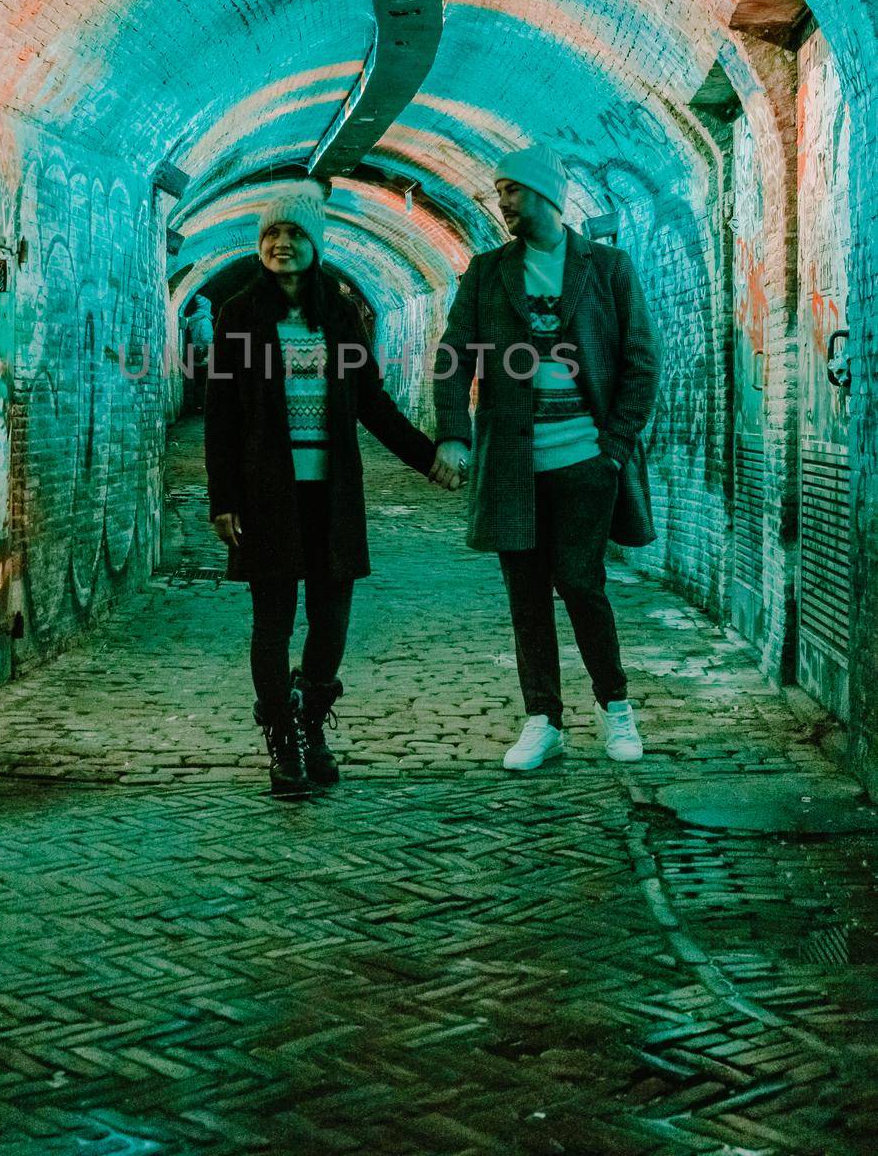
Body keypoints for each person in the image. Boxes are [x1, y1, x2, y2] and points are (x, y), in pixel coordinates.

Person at [204, 180, 442, 796]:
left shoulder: (338, 314)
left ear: (315, 243)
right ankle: (283, 744)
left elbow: (371, 403)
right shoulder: (239, 316)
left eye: (294, 234)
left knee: (331, 622)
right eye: (272, 235)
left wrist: (429, 459)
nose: (281, 244)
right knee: (273, 622)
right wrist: (222, 498)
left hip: (331, 496)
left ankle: (311, 723)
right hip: (265, 497)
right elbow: (223, 415)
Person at [429, 143, 660, 771]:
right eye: (500, 190)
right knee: (525, 596)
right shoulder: (486, 273)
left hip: (586, 463)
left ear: (546, 195)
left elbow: (642, 362)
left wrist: (612, 448)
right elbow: (453, 361)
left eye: (512, 190)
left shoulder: (607, 268)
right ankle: (543, 721)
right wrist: (454, 434)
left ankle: (617, 711)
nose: (502, 201)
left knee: (583, 586)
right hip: (511, 465)